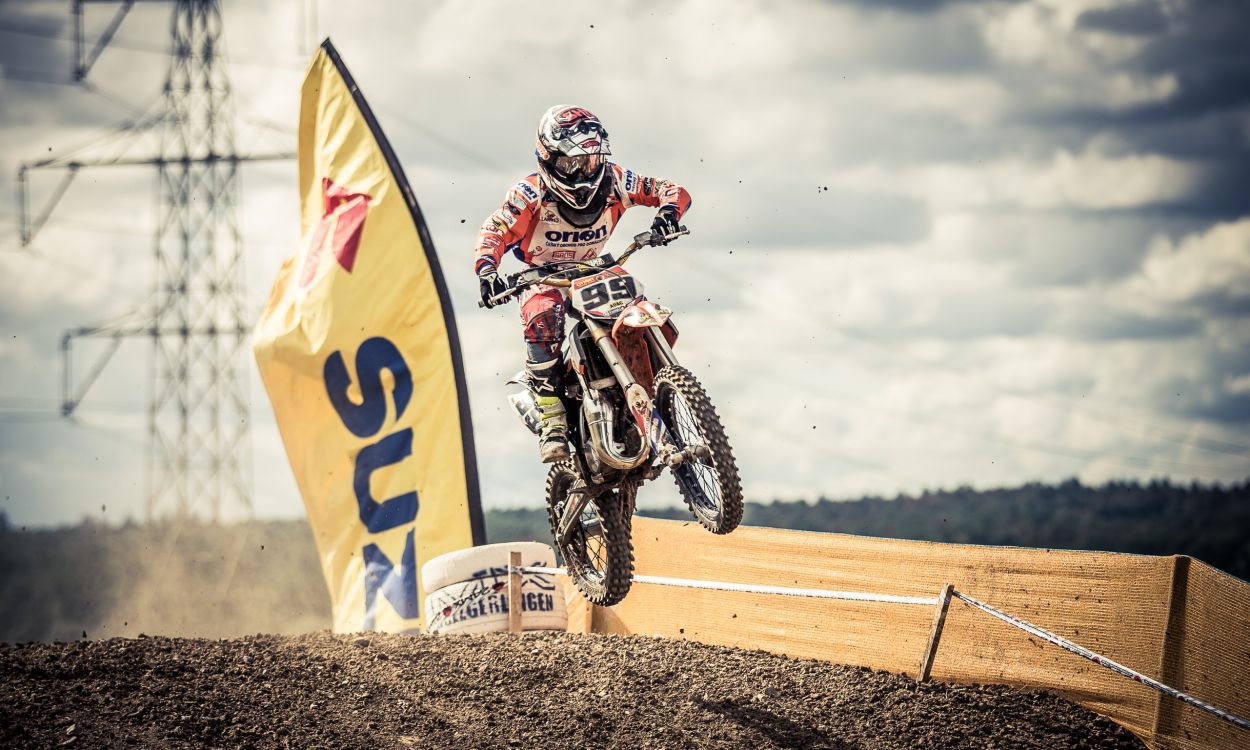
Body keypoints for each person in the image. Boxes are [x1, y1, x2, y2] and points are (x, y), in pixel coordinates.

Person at [474, 104, 692, 463]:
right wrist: (486, 270)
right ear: (549, 159)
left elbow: (671, 189)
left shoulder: (616, 180)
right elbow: (494, 230)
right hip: (544, 276)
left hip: (597, 268)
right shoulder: (529, 194)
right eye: (572, 163)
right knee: (541, 316)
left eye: (590, 161)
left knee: (639, 305)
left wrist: (668, 214)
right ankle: (552, 419)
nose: (582, 171)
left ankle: (659, 384)